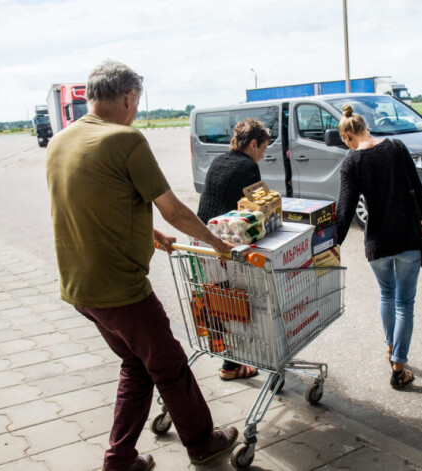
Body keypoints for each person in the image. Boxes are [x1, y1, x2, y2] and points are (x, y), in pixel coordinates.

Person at [46, 59, 238, 471]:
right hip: (121, 290)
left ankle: (120, 460)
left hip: (79, 287)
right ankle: (203, 443)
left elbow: (94, 203)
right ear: (130, 97)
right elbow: (174, 210)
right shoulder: (125, 140)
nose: (136, 109)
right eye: (137, 101)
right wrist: (220, 244)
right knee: (169, 366)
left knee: (136, 363)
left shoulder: (61, 141)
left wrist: (152, 237)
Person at [334, 104, 422, 390]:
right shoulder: (396, 148)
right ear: (365, 127)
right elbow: (417, 187)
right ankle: (399, 369)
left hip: (377, 241)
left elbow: (345, 210)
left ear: (347, 137)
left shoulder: (351, 163)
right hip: (407, 238)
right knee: (405, 303)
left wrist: (333, 244)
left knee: (386, 295)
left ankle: (391, 349)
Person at [197, 117, 270, 380]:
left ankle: (228, 357)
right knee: (232, 303)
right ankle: (231, 363)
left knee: (219, 299)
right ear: (252, 144)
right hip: (222, 243)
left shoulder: (220, 160)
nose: (262, 155)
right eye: (263, 148)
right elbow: (252, 211)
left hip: (203, 238)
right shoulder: (248, 168)